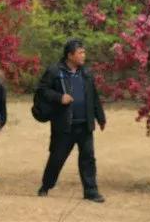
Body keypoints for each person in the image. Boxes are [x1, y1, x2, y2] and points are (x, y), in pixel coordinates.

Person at [35, 39, 106, 203]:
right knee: (57, 158)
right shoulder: (55, 71)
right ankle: (46, 185)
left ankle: (91, 191)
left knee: (88, 157)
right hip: (64, 125)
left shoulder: (86, 73)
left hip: (85, 124)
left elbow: (93, 96)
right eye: (80, 52)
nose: (83, 55)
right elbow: (42, 90)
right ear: (70, 55)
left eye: (84, 52)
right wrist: (60, 97)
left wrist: (100, 117)